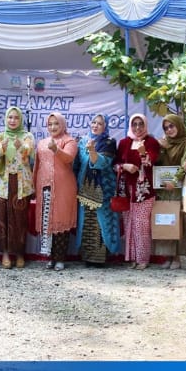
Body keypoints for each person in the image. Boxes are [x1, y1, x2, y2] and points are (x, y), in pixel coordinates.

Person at [73, 114, 120, 266]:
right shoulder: (82, 141)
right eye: (93, 122)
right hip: (84, 189)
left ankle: (99, 258)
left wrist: (92, 150)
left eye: (100, 123)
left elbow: (101, 163)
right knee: (87, 222)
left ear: (105, 126)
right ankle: (87, 257)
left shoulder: (109, 142)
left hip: (103, 190)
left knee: (101, 223)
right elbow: (77, 164)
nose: (95, 125)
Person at [115, 113, 161, 269]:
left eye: (141, 124)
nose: (137, 127)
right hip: (126, 189)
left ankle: (143, 258)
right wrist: (124, 166)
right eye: (134, 124)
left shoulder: (151, 142)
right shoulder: (124, 142)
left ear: (145, 125)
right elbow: (115, 164)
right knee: (129, 223)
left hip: (144, 190)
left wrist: (143, 152)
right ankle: (132, 257)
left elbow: (151, 162)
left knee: (141, 224)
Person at [34, 112, 78, 271]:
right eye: (50, 124)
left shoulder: (69, 140)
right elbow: (37, 166)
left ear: (63, 125)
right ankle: (50, 257)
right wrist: (34, 185)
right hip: (44, 186)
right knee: (47, 222)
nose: (53, 127)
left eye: (56, 124)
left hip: (63, 187)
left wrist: (56, 150)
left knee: (60, 221)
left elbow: (69, 158)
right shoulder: (41, 142)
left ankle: (60, 258)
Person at [0, 106, 35, 269]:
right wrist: (1, 147)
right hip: (3, 184)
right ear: (6, 119)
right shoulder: (0, 135)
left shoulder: (27, 135)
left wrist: (21, 146)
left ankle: (19, 254)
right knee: (3, 219)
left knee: (19, 220)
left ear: (20, 120)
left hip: (21, 184)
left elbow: (30, 152)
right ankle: (4, 254)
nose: (12, 121)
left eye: (16, 118)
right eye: (10, 117)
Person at [154, 114, 186, 269]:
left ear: (179, 125)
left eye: (172, 126)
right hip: (164, 189)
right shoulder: (163, 143)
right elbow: (158, 163)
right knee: (165, 219)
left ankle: (177, 257)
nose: (169, 130)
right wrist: (162, 149)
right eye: (166, 127)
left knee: (178, 220)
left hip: (178, 188)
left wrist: (175, 180)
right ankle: (168, 255)